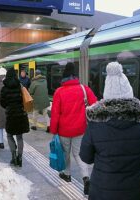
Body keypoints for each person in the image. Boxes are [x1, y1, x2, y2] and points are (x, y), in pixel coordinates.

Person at [80, 62, 140, 200]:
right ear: (130, 93)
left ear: (106, 95)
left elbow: (86, 157)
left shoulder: (94, 126)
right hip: (136, 192)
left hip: (103, 191)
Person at [50, 62, 97, 195]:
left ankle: (67, 174)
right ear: (75, 77)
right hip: (80, 129)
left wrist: (53, 130)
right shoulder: (84, 89)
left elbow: (55, 113)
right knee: (78, 154)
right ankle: (86, 178)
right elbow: (95, 105)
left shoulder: (59, 91)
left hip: (64, 130)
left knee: (65, 153)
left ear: (63, 78)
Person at [0, 68, 30, 167]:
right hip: (20, 114)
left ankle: (13, 157)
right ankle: (20, 157)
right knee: (20, 137)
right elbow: (25, 100)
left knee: (9, 135)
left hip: (10, 115)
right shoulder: (20, 86)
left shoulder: (4, 88)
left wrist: (9, 106)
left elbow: (2, 103)